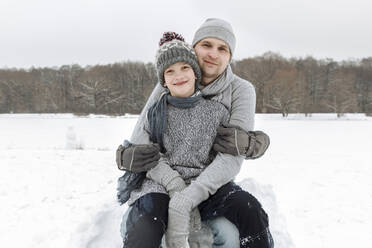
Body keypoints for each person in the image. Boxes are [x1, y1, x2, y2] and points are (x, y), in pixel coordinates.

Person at [117, 19, 273, 248]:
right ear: (194, 48)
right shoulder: (174, 79)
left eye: (223, 49)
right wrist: (132, 157)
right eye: (206, 45)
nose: (213, 54)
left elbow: (231, 156)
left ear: (230, 57)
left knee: (250, 210)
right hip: (164, 180)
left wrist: (188, 197)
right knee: (147, 225)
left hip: (209, 180)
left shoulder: (240, 91)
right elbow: (141, 139)